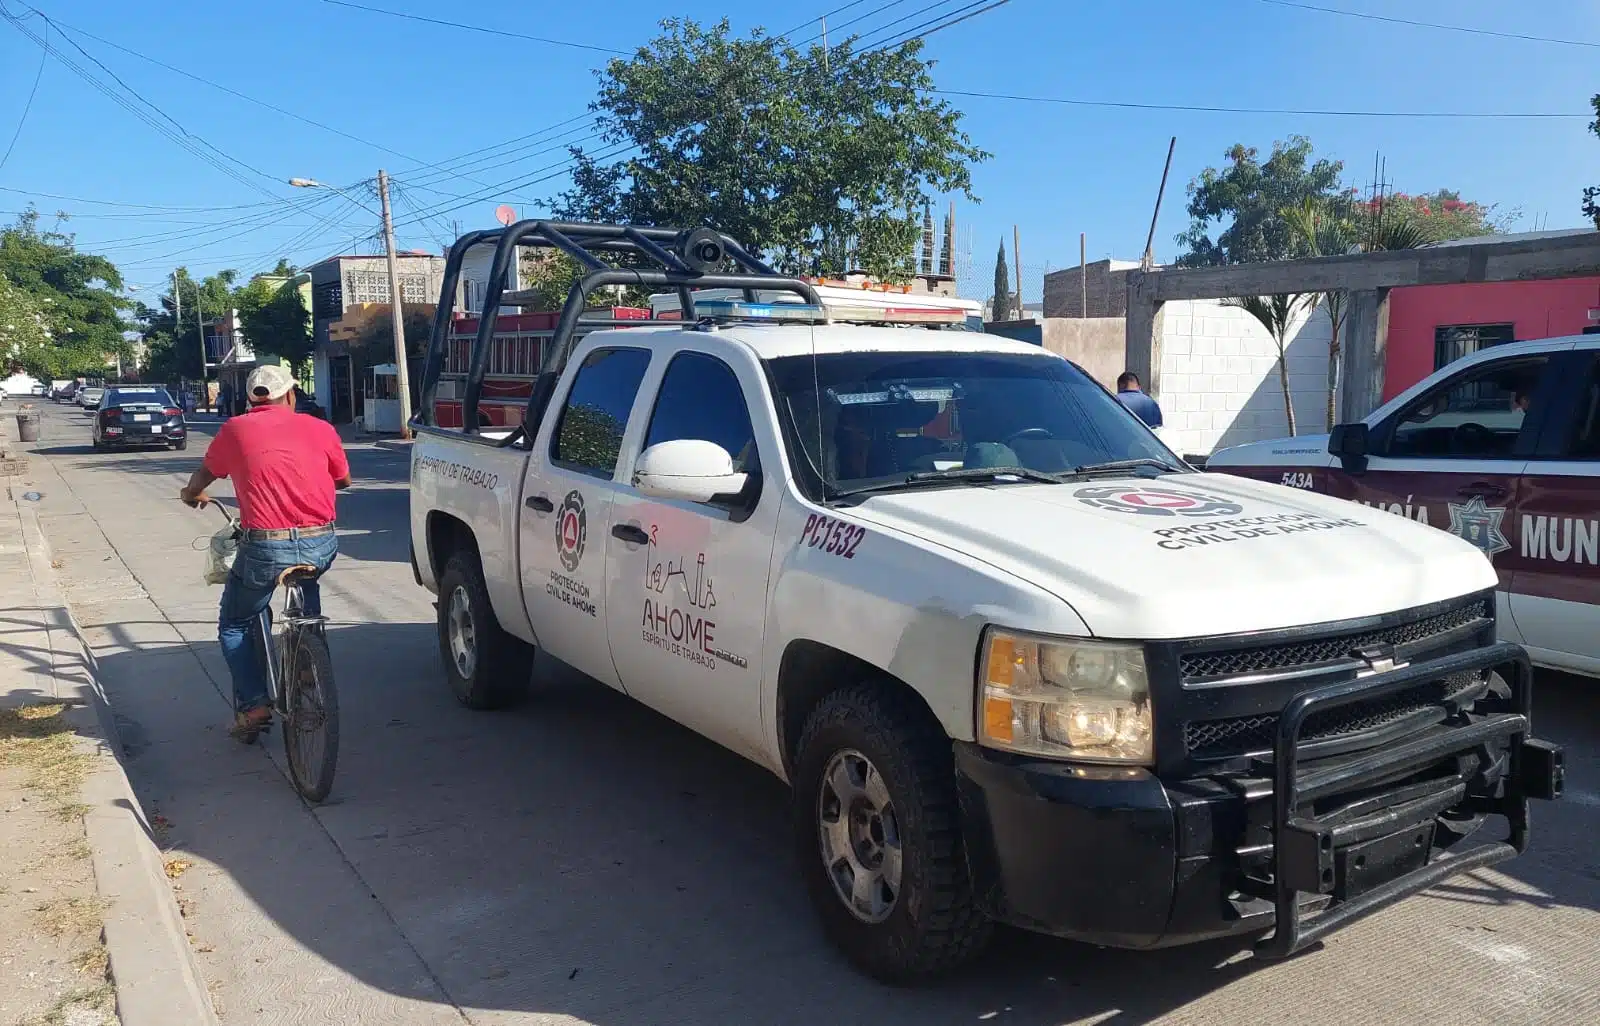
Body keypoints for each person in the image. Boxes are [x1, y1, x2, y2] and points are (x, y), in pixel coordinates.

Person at [180, 365, 351, 739]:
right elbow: (344, 479)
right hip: (321, 541)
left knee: (235, 624)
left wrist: (191, 495)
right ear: (290, 395)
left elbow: (201, 478)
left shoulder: (235, 429)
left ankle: (254, 705)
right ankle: (307, 661)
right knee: (306, 579)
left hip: (265, 546)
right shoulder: (320, 428)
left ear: (250, 398)